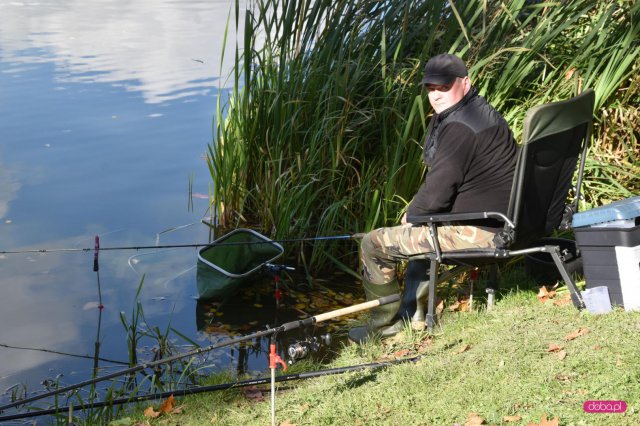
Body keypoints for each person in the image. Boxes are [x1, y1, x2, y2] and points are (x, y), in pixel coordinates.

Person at [349, 53, 517, 343]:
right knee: (420, 229)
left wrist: (412, 214)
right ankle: (412, 315)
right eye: (430, 88)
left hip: (481, 234)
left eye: (444, 87)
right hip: (500, 221)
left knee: (373, 243)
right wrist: (418, 214)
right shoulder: (479, 111)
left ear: (465, 82)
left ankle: (383, 328)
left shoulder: (459, 128)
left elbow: (438, 192)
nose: (436, 95)